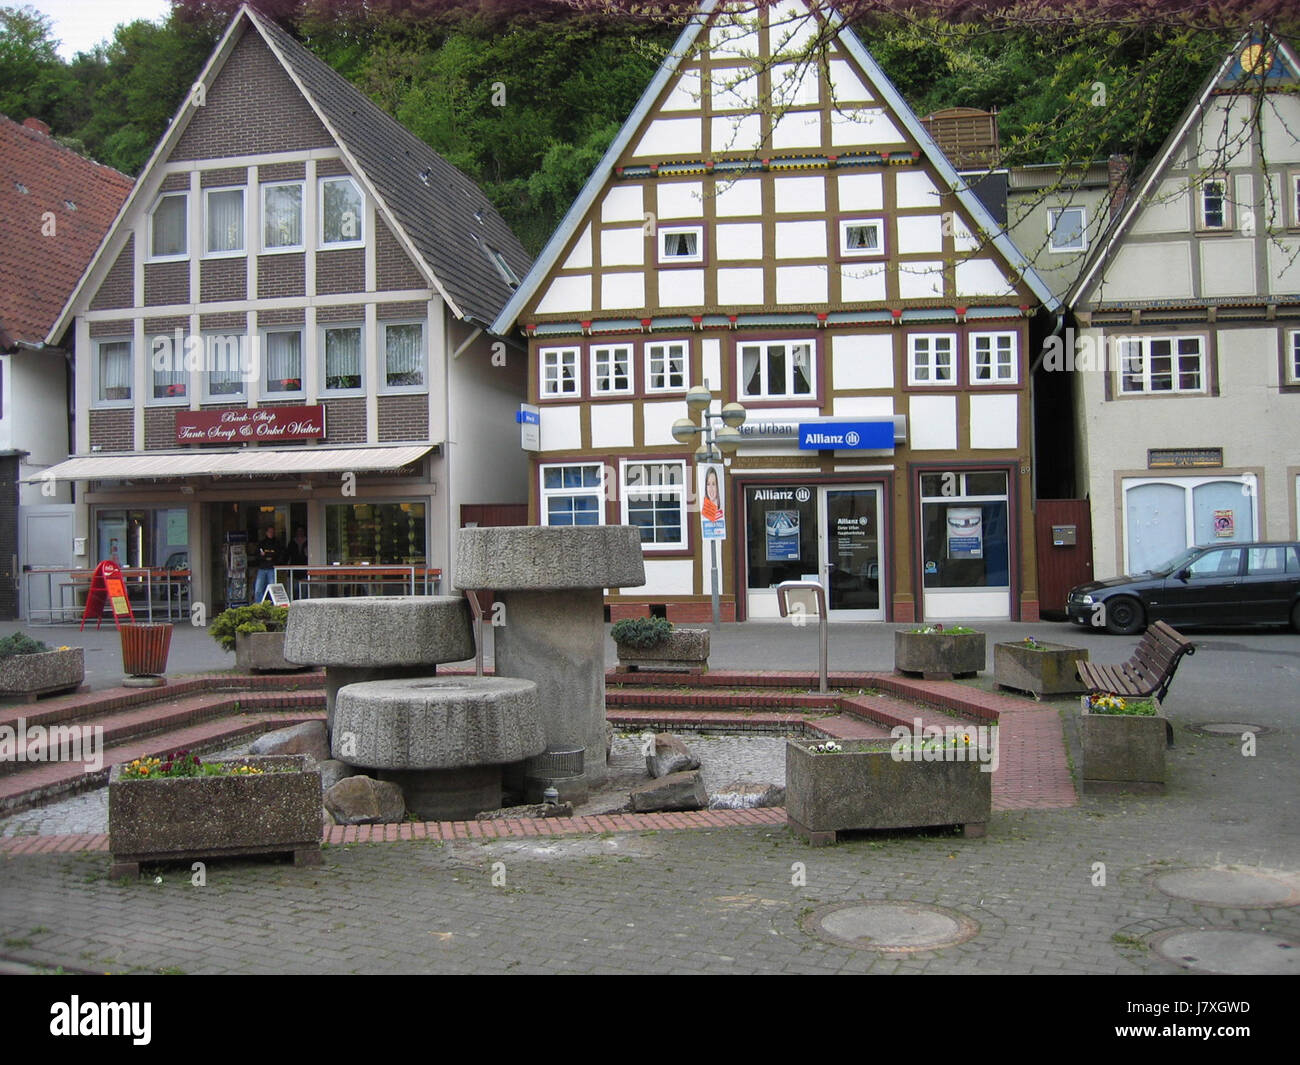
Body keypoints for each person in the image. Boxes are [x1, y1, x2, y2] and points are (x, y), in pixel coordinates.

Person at [252, 524, 283, 604]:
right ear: (266, 533)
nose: (271, 533)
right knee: (258, 589)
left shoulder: (277, 543)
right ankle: (259, 606)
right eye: (269, 532)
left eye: (272, 532)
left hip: (272, 568)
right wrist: (264, 557)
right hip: (262, 568)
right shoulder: (262, 543)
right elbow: (257, 555)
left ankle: (273, 606)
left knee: (273, 589)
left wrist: (270, 557)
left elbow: (279, 555)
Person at [283, 526, 308, 598]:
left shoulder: (307, 542)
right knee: (295, 589)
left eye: (301, 531)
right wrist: (284, 566)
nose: (300, 533)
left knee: (304, 590)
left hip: (305, 569)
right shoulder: (292, 542)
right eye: (298, 531)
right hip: (294, 569)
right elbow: (287, 555)